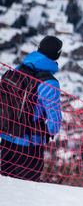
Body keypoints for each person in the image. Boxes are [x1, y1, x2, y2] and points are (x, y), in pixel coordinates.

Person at [0, 36, 63, 182]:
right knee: (26, 191)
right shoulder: (49, 83)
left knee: (5, 185)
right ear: (57, 55)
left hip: (6, 139)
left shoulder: (18, 69)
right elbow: (55, 121)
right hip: (29, 145)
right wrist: (47, 132)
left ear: (39, 48)